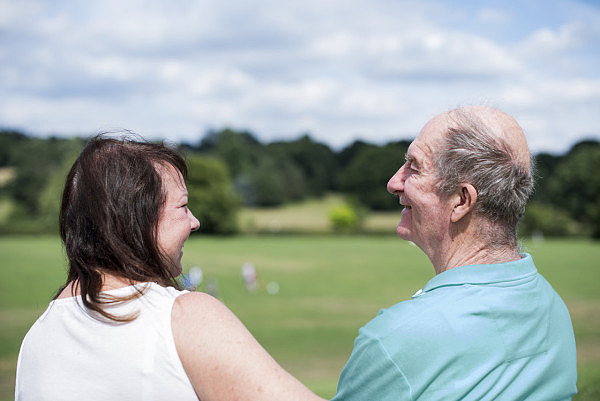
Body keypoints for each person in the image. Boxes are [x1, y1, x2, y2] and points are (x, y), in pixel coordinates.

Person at [15, 135, 325, 401]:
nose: (195, 222)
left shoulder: (37, 337)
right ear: (138, 218)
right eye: (183, 206)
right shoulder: (184, 317)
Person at [332, 106, 577, 400]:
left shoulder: (398, 338)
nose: (394, 182)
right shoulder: (552, 306)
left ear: (461, 201)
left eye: (414, 166)